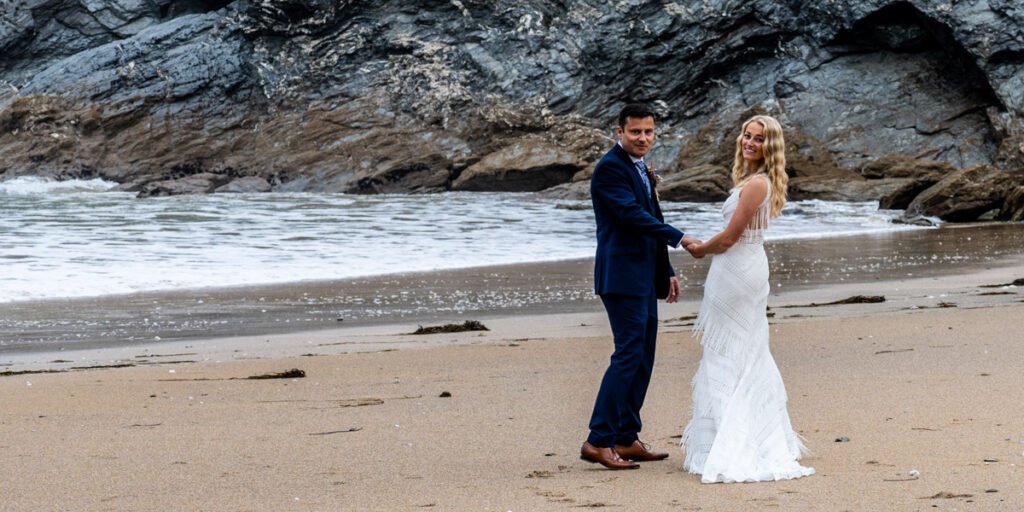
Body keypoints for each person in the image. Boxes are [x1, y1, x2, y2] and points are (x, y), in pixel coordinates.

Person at [680, 115, 815, 483]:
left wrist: (698, 248)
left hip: (737, 272)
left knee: (733, 352)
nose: (749, 142)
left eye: (758, 139)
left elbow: (729, 238)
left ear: (769, 146)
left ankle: (732, 440)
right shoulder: (754, 181)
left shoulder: (757, 185)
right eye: (746, 135)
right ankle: (730, 435)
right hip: (741, 270)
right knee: (740, 349)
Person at [581, 103, 698, 470]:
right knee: (629, 355)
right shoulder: (610, 169)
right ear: (619, 132)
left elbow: (653, 218)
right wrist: (681, 238)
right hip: (620, 277)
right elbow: (633, 217)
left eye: (648, 132)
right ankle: (598, 440)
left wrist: (666, 272)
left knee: (643, 358)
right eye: (635, 132)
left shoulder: (641, 168)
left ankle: (625, 436)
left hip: (644, 275)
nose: (643, 138)